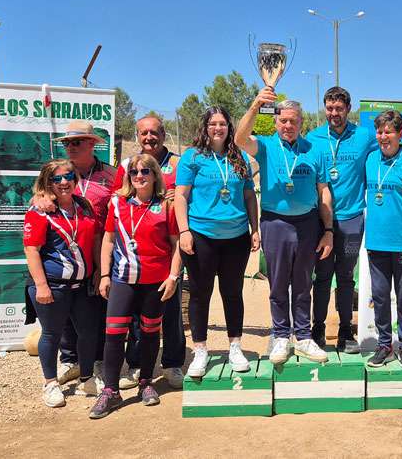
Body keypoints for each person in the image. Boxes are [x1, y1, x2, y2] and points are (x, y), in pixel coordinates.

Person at [306, 86, 402, 353]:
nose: (334, 113)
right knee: (322, 276)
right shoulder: (313, 138)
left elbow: (393, 145)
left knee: (346, 277)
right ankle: (318, 328)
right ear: (325, 108)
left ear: (348, 109)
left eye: (339, 108)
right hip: (320, 219)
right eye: (330, 108)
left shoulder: (364, 135)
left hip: (352, 219)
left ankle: (346, 331)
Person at [236, 89, 333, 365]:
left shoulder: (315, 150)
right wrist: (256, 104)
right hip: (275, 222)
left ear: (301, 122)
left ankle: (303, 337)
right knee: (278, 283)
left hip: (307, 223)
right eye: (283, 121)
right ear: (276, 122)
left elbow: (324, 191)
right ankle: (280, 336)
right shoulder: (266, 147)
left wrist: (327, 230)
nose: (288, 126)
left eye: (293, 121)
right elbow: (240, 138)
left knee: (303, 283)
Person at [89, 154, 182, 418]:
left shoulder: (166, 206)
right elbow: (108, 240)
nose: (139, 176)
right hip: (122, 279)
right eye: (133, 172)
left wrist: (173, 277)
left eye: (144, 171)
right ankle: (110, 391)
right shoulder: (117, 203)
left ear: (154, 175)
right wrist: (104, 275)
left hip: (155, 281)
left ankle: (145, 383)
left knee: (150, 333)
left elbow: (176, 245)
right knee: (115, 334)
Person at [175, 106, 260, 377]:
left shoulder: (240, 158)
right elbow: (180, 196)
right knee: (200, 294)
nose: (218, 128)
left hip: (236, 237)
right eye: (213, 123)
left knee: (233, 293)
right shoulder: (192, 157)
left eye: (222, 123)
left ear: (229, 127)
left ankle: (235, 346)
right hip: (201, 236)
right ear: (205, 126)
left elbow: (249, 197)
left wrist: (254, 228)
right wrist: (184, 231)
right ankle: (201, 351)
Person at [39, 121, 116, 388]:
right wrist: (39, 198)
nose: (70, 147)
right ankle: (69, 361)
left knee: (95, 312)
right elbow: (36, 198)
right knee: (65, 314)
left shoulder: (111, 174)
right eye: (67, 143)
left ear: (92, 143)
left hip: (98, 254)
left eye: (77, 142)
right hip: (62, 259)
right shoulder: (58, 173)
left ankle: (95, 362)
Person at [111, 115, 186, 390]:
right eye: (143, 133)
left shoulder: (179, 163)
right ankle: (136, 364)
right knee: (135, 315)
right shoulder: (127, 165)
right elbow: (117, 196)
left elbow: (189, 193)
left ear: (164, 134)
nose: (149, 138)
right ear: (137, 135)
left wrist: (174, 196)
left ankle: (172, 363)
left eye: (154, 132)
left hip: (168, 250)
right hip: (134, 256)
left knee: (172, 309)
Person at [23, 159, 101, 407]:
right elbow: (31, 250)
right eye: (57, 179)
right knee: (52, 334)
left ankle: (87, 378)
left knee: (88, 332)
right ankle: (50, 384)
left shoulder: (83, 205)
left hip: (82, 285)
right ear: (48, 183)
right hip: (53, 285)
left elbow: (96, 240)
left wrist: (100, 271)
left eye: (68, 177)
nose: (64, 182)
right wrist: (42, 286)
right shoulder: (39, 211)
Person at [364, 110, 402, 369]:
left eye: (389, 131)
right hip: (376, 243)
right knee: (379, 296)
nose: (383, 136)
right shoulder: (370, 159)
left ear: (400, 134)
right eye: (380, 131)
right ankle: (383, 344)